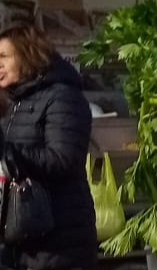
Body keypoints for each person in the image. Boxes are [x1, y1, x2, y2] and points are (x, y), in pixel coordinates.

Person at [0, 26, 96, 270]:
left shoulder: (63, 96)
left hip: (58, 241)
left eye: (3, 57)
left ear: (28, 54)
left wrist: (9, 154)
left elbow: (64, 160)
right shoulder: (16, 102)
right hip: (22, 240)